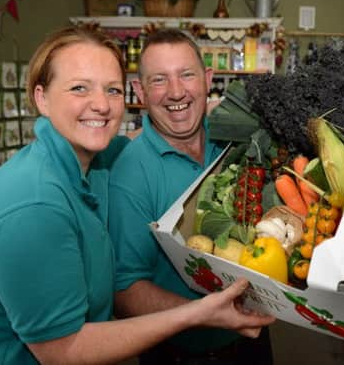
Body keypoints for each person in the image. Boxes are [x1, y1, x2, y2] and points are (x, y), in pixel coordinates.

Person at [0, 25, 273, 364]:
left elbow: (147, 135)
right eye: (79, 88)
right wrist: (198, 313)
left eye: (111, 90)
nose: (100, 105)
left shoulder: (96, 160)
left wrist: (199, 112)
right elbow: (62, 350)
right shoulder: (33, 205)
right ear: (41, 97)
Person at [109, 28, 275, 364]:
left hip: (254, 339)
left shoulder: (233, 135)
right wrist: (203, 313)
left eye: (186, 75)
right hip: (180, 352)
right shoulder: (131, 171)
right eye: (159, 80)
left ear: (207, 79)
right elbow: (124, 291)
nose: (175, 92)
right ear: (140, 91)